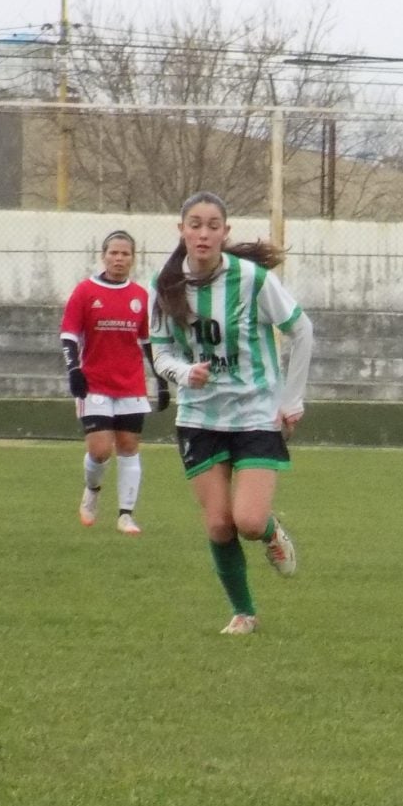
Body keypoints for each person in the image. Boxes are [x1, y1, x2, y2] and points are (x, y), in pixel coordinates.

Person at [147, 192, 313, 635]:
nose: (203, 233)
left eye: (213, 225)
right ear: (181, 230)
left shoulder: (252, 280)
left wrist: (290, 401)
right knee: (220, 524)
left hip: (255, 413)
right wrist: (183, 372)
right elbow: (160, 352)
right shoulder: (165, 286)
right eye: (195, 224)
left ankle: (272, 532)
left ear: (225, 232)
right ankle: (244, 613)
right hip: (199, 417)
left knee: (249, 521)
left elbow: (301, 329)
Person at [60, 230, 171, 535]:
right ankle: (92, 490)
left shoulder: (140, 296)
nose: (119, 258)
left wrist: (160, 379)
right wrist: (74, 370)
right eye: (114, 253)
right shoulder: (85, 291)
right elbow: (69, 335)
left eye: (125, 254)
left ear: (133, 259)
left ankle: (125, 515)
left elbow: (148, 341)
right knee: (99, 450)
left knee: (128, 446)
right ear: (104, 255)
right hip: (94, 382)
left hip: (130, 384)